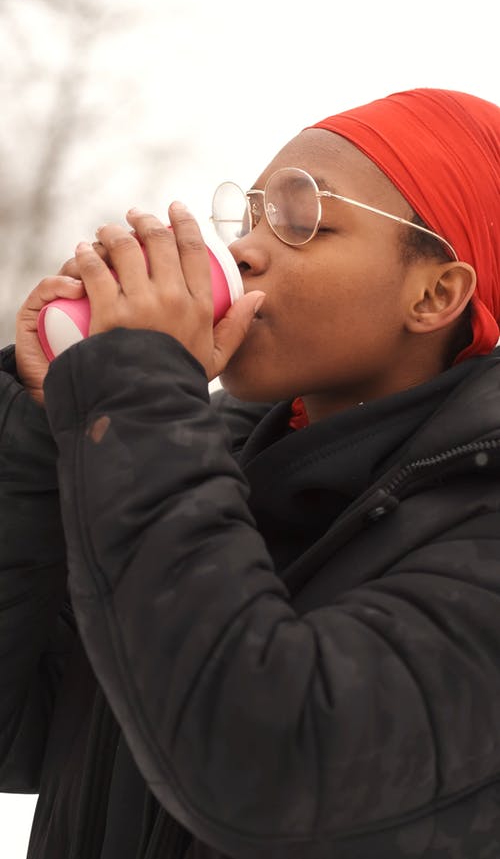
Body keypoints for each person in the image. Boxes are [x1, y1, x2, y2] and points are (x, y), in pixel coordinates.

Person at [1, 87, 500, 859]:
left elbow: (265, 766)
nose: (244, 249)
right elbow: (22, 730)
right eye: (252, 215)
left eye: (305, 220)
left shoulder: (478, 521)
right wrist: (46, 431)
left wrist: (137, 397)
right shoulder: (201, 480)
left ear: (435, 294)